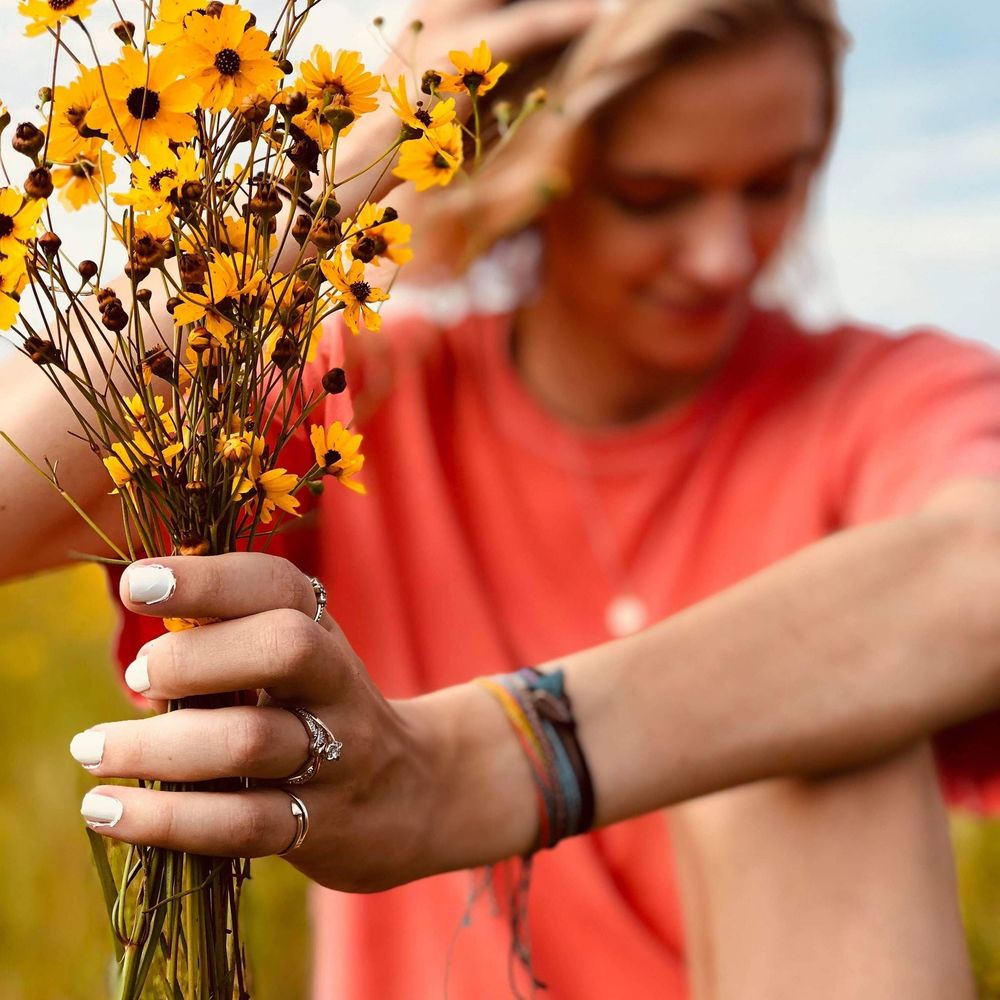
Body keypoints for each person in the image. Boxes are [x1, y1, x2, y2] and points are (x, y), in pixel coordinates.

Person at [3, 0, 1000, 996]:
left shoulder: (883, 401)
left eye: (772, 187)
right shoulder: (363, 407)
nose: (721, 256)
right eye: (651, 195)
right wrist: (359, 154)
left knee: (825, 742)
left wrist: (482, 764)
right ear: (532, 174)